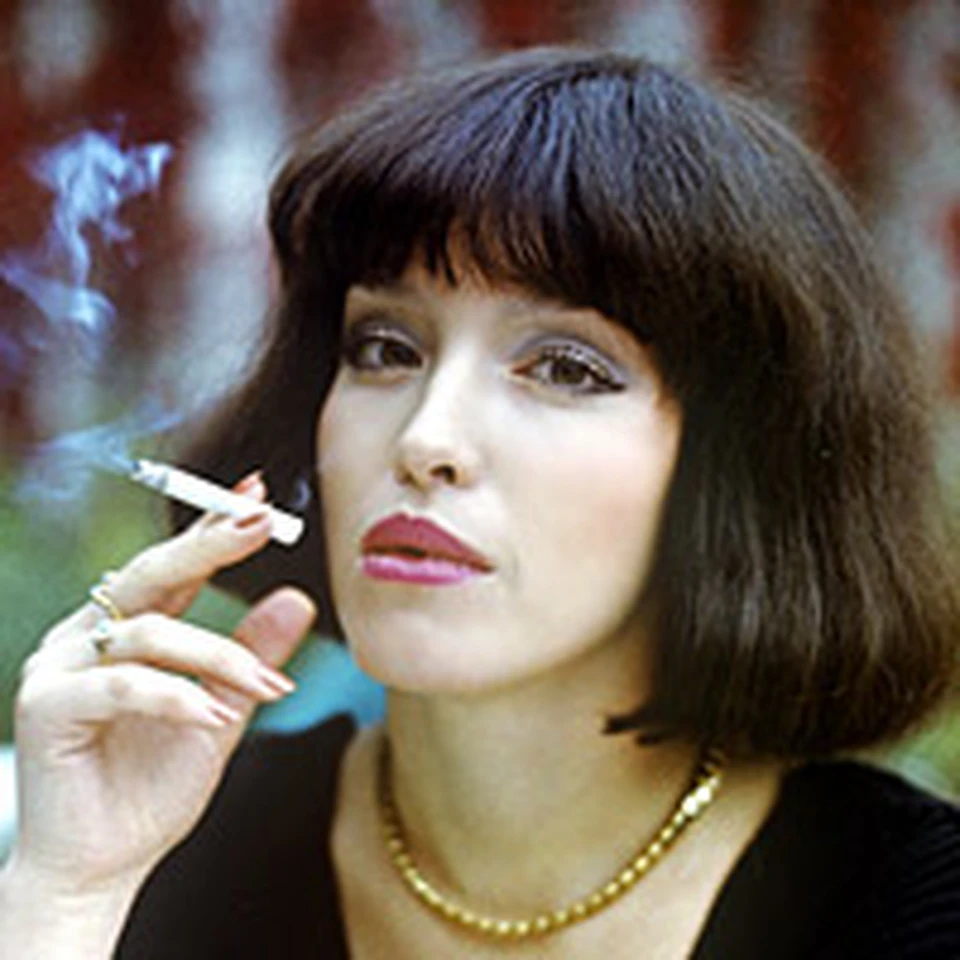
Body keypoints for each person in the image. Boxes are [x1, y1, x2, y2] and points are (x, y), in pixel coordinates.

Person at [2, 45, 960, 959]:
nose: (427, 440)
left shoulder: (908, 910)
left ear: (740, 464)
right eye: (386, 349)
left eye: (565, 368)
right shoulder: (169, 852)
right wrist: (70, 893)